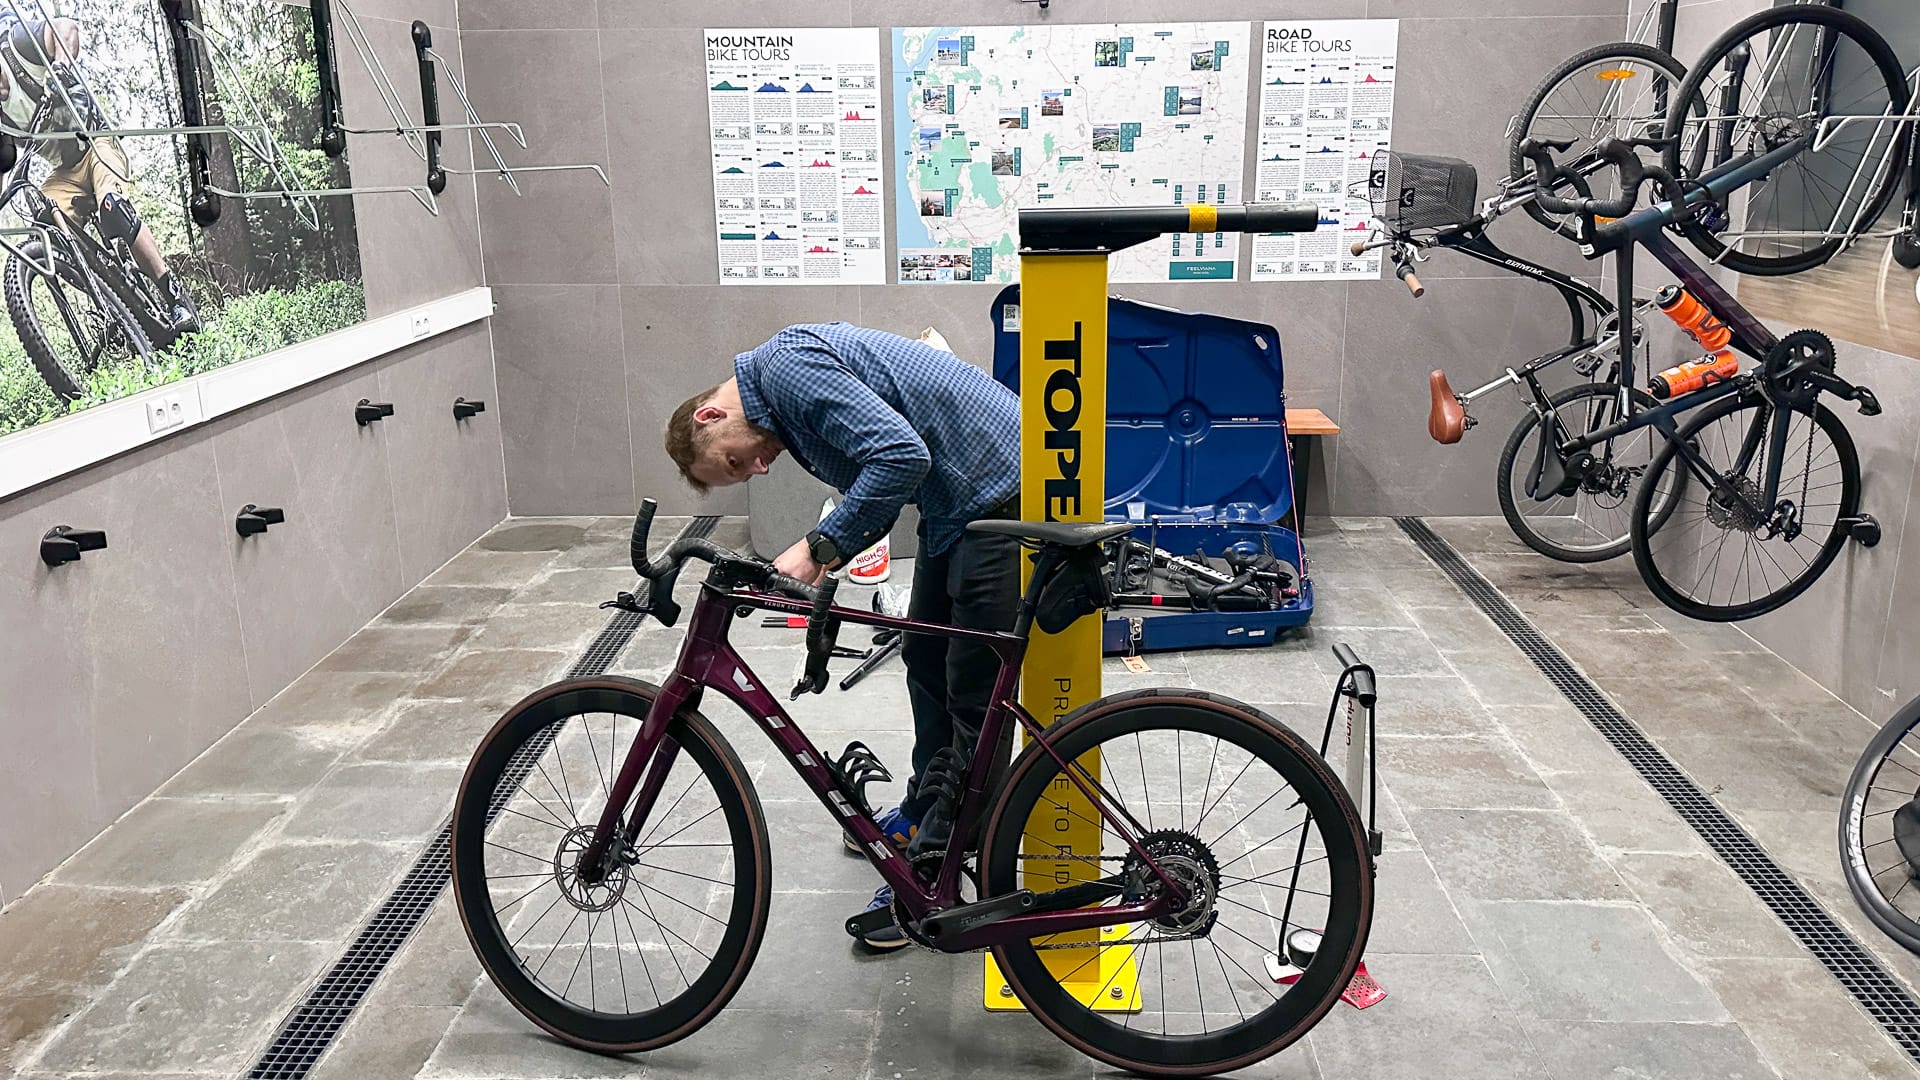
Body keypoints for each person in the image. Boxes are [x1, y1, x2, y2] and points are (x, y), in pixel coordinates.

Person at [665, 322, 1023, 951]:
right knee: (925, 655)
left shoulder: (784, 370)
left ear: (710, 413)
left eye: (734, 459)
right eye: (742, 473)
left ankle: (934, 878)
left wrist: (817, 547)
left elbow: (900, 456)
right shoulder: (783, 387)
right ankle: (922, 813)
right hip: (958, 498)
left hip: (996, 485)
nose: (758, 467)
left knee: (974, 692)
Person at [0, 12, 199, 332]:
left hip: (96, 143)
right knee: (47, 234)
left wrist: (62, 67)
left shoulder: (17, 46)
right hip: (64, 171)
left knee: (114, 208)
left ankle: (174, 298)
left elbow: (65, 29)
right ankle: (111, 301)